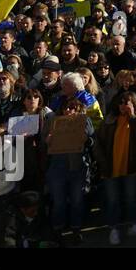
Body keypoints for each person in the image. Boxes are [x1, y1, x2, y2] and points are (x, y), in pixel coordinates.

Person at [94, 92, 136, 245]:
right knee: (113, 201)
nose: (124, 106)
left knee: (131, 199)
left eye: (128, 103)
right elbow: (97, 142)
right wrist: (102, 161)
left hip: (131, 167)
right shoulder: (109, 120)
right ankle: (114, 229)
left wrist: (132, 116)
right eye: (121, 103)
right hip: (110, 167)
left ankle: (133, 225)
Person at [43, 96, 93, 244]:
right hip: (57, 167)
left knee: (77, 200)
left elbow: (92, 140)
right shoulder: (53, 121)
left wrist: (86, 139)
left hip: (77, 166)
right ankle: (58, 230)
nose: (69, 110)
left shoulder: (84, 121)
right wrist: (48, 140)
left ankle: (76, 229)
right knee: (58, 201)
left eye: (73, 108)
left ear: (78, 110)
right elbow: (43, 141)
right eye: (67, 107)